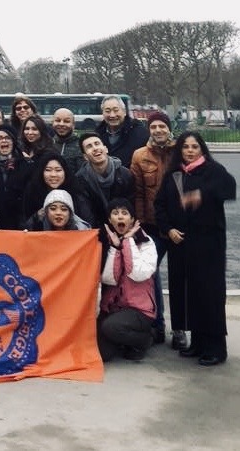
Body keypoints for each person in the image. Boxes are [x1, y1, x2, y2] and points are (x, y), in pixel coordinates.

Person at [154, 131, 236, 366]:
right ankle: (198, 343)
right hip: (181, 243)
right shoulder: (174, 174)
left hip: (208, 244)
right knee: (189, 294)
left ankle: (216, 347)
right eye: (185, 147)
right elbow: (159, 205)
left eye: (195, 146)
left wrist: (200, 195)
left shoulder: (213, 170)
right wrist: (168, 229)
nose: (190, 151)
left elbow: (229, 189)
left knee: (208, 294)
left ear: (202, 149)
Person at [130, 110, 177, 346]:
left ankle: (181, 328)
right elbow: (137, 192)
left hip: (177, 226)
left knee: (181, 277)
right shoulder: (139, 156)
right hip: (151, 225)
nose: (158, 130)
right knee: (151, 275)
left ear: (169, 128)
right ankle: (158, 323)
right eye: (153, 127)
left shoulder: (180, 151)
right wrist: (138, 224)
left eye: (162, 126)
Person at [97, 198, 157, 361]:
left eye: (125, 213)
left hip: (139, 310)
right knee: (102, 354)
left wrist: (128, 241)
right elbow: (109, 279)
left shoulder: (146, 242)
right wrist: (116, 248)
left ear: (132, 219)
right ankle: (122, 341)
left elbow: (137, 273)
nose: (120, 217)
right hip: (113, 308)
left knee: (110, 327)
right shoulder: (108, 242)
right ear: (110, 220)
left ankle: (145, 339)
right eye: (115, 213)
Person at [74, 132, 135, 228]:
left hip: (123, 226)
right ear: (85, 157)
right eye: (89, 146)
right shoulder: (80, 180)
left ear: (105, 149)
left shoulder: (124, 174)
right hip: (97, 228)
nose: (95, 148)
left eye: (97, 143)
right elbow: (87, 213)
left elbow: (130, 206)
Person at [21, 150, 92, 227]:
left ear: (65, 172)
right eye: (48, 170)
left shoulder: (76, 193)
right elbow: (24, 225)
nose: (53, 175)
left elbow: (88, 224)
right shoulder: (32, 192)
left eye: (58, 170)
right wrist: (37, 216)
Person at [0, 124, 27, 229]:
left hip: (19, 222)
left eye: (7, 138)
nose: (4, 141)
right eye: (0, 138)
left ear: (14, 141)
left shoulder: (25, 163)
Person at [95, 95, 148, 168]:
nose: (112, 115)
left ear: (124, 112)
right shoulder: (97, 135)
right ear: (103, 114)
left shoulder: (140, 133)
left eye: (116, 110)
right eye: (107, 111)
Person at [50, 107, 85, 174]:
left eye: (66, 121)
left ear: (73, 125)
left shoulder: (82, 146)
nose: (61, 124)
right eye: (57, 120)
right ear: (52, 122)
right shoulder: (47, 145)